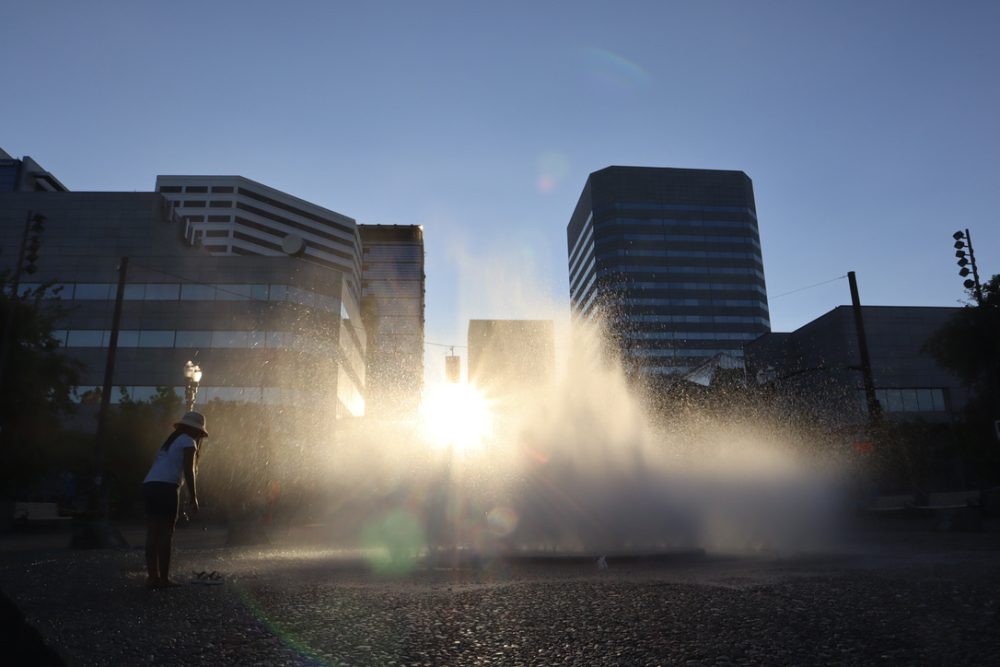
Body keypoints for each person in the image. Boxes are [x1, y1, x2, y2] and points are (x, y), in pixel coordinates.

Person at [142, 411, 208, 589]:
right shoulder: (189, 441)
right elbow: (189, 471)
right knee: (165, 534)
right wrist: (193, 496)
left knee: (152, 534)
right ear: (197, 431)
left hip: (150, 485)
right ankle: (163, 579)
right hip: (166, 487)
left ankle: (152, 578)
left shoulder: (169, 442)